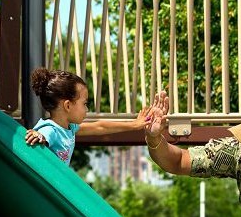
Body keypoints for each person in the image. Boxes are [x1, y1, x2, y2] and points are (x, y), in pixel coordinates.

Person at [24, 68, 155, 161]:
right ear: (68, 105)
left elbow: (100, 127)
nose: (86, 109)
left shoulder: (68, 128)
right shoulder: (51, 130)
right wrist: (38, 134)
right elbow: (43, 135)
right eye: (84, 103)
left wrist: (134, 125)